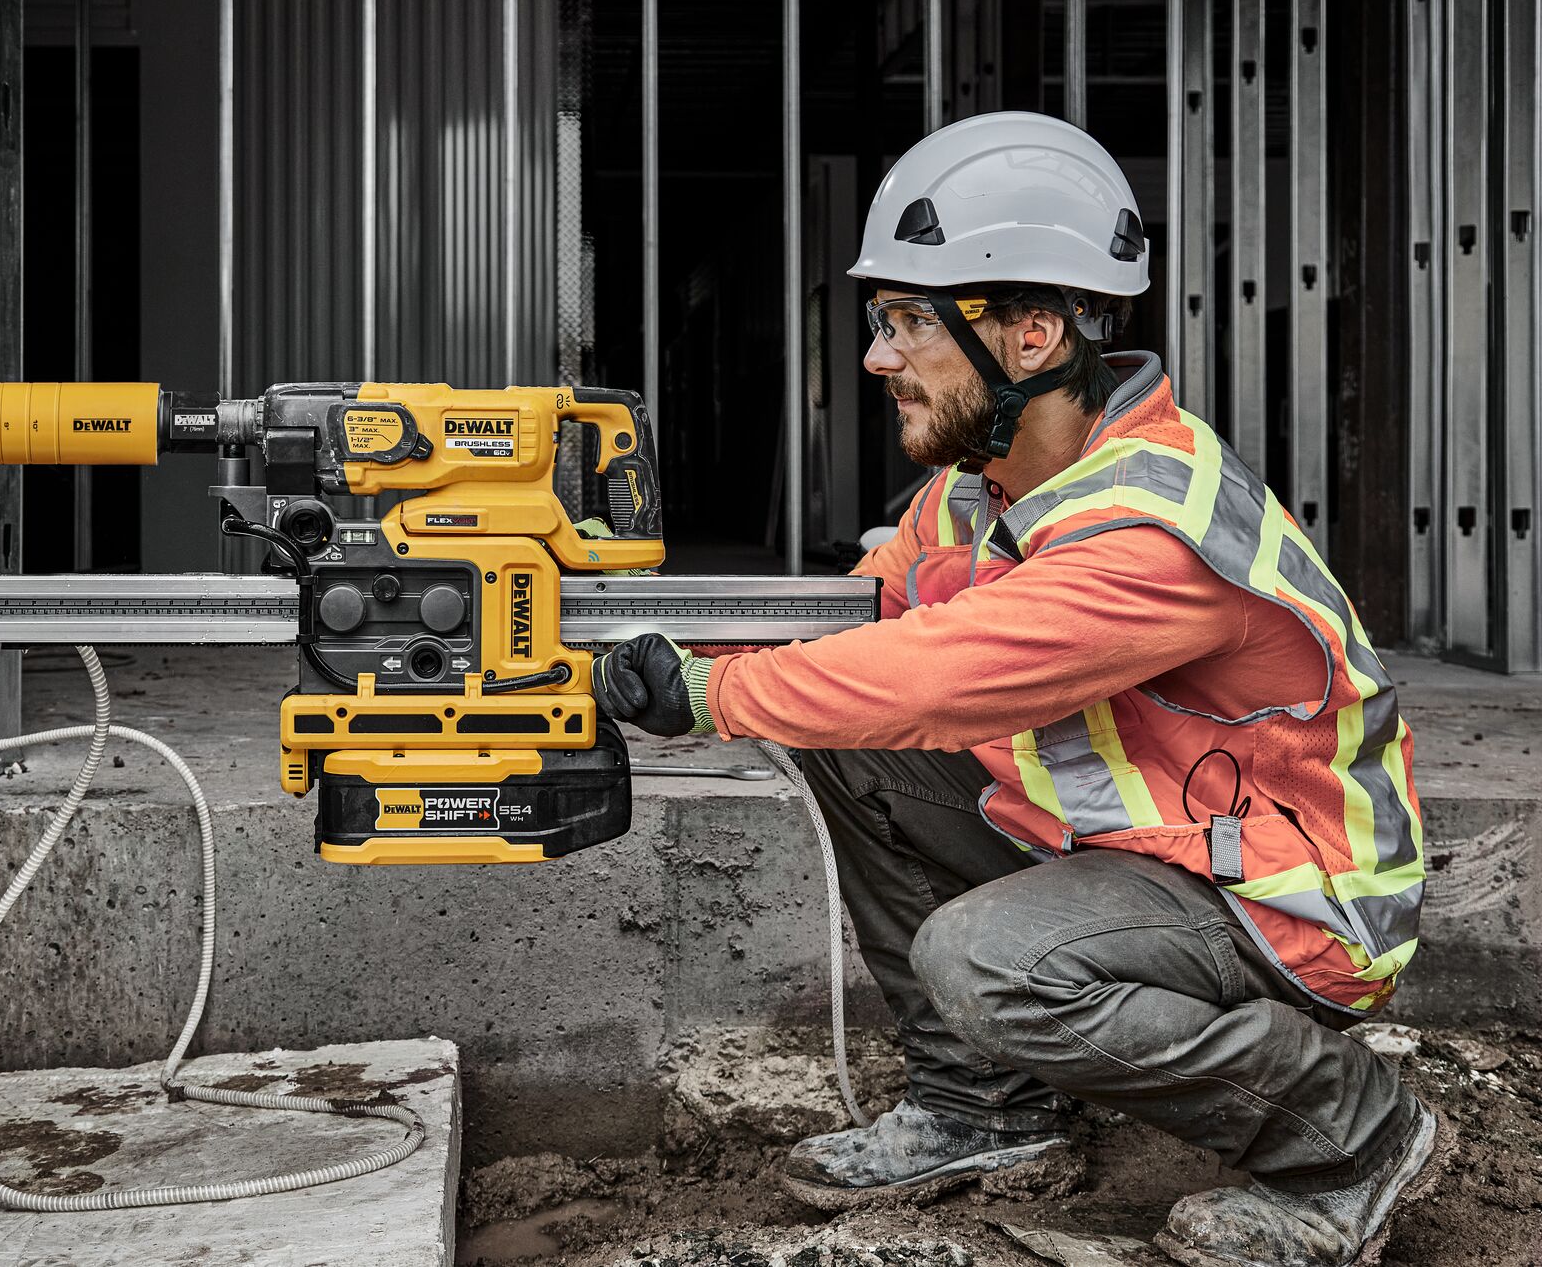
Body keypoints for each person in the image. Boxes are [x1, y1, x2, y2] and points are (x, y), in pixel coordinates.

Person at [593, 111, 1443, 1267]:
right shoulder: (975, 484)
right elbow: (860, 628)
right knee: (845, 737)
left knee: (985, 961)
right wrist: (639, 633)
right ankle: (978, 1110)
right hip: (1151, 848)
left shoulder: (1149, 522)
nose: (875, 357)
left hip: (1289, 893)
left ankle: (1350, 1137)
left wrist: (705, 693)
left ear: (1031, 334)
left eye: (905, 325)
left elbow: (944, 671)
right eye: (878, 322)